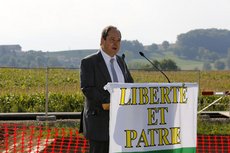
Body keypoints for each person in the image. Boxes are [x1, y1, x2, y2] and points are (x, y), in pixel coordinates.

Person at [80, 25, 134, 153]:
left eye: (119, 40)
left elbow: (130, 84)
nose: (116, 43)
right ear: (102, 40)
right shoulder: (89, 62)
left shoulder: (121, 61)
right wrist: (112, 100)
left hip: (121, 124)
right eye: (112, 39)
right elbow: (87, 89)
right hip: (99, 124)